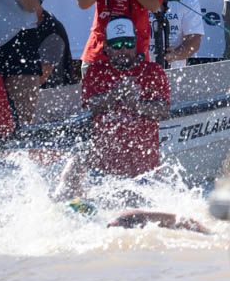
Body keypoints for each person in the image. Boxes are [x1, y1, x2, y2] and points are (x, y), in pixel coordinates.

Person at [56, 18, 170, 194]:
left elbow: (163, 111)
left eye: (128, 43)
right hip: (105, 171)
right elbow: (92, 105)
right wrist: (115, 95)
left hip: (144, 171)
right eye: (117, 45)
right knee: (75, 165)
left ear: (135, 44)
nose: (123, 50)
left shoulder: (152, 71)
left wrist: (137, 105)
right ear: (107, 48)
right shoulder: (96, 72)